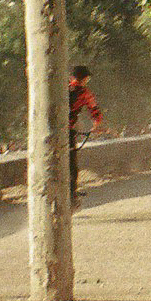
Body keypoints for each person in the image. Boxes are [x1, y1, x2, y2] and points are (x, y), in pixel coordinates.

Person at [67, 64, 105, 202]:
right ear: (84, 79)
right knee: (71, 166)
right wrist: (96, 124)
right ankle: (71, 195)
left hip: (51, 131)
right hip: (67, 132)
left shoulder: (62, 87)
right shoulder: (84, 92)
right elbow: (94, 110)